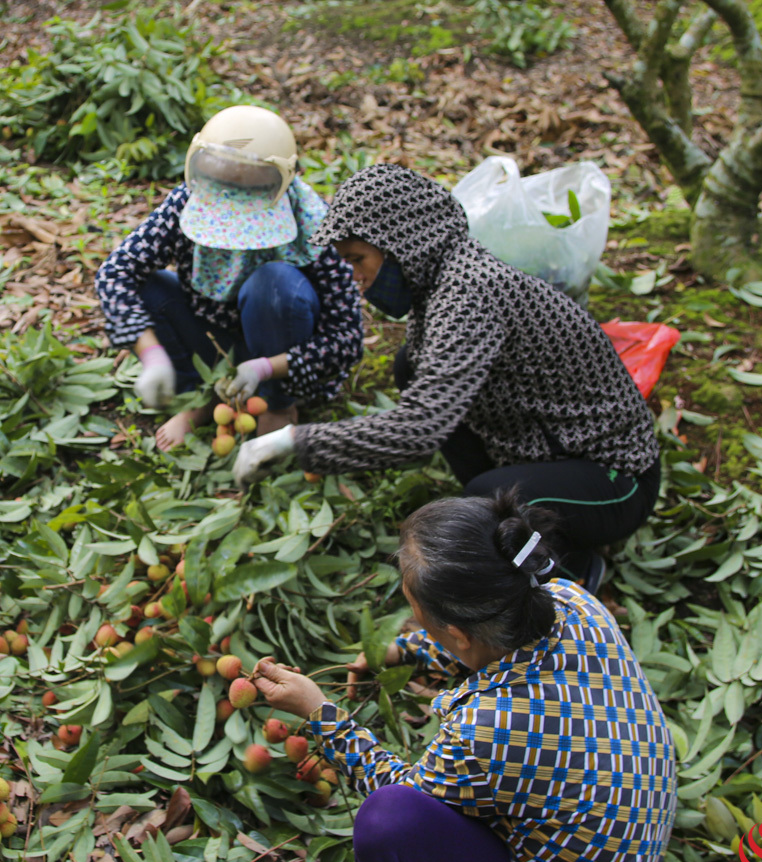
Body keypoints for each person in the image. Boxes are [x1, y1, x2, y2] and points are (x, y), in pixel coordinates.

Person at [252, 492, 677, 862]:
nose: (417, 625)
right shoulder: (569, 601)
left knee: (388, 822)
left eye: (419, 617)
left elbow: (405, 794)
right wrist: (402, 651)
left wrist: (320, 715)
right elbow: (492, 646)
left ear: (455, 634)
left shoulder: (487, 730)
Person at [234, 164, 659, 589]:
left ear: (402, 243)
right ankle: (534, 516)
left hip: (617, 477)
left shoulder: (470, 294)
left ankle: (570, 571)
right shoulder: (442, 283)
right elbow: (431, 405)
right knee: (410, 366)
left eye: (359, 260)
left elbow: (418, 429)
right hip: (547, 447)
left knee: (489, 501)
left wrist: (293, 441)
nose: (357, 279)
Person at [96, 105, 364, 451]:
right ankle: (204, 398)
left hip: (281, 351)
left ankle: (277, 403)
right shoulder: (185, 202)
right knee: (150, 284)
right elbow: (118, 271)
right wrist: (151, 354)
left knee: (273, 284)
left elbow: (347, 338)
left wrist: (267, 369)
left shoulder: (312, 224)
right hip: (212, 342)